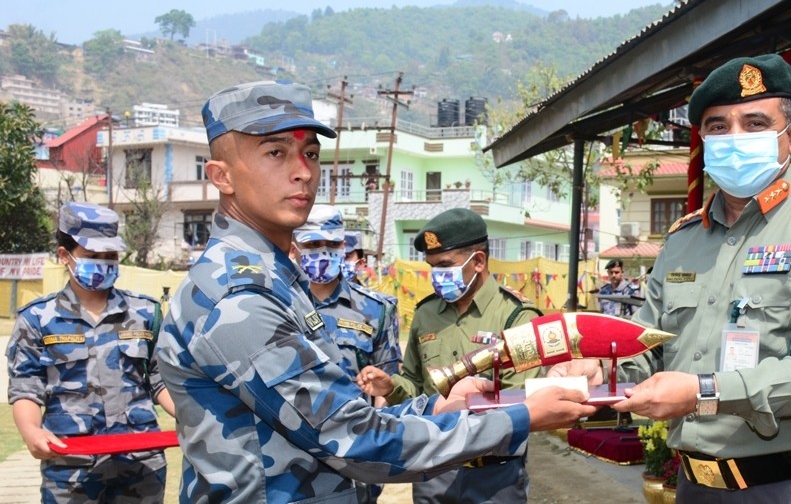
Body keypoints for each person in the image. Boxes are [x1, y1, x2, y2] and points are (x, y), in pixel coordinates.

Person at [155, 80, 596, 504]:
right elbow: (356, 441)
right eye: (276, 153)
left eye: (311, 152)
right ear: (221, 175)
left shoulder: (277, 280)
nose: (303, 172)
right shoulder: (238, 299)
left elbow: (345, 415)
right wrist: (520, 417)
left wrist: (438, 407)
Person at [606, 54, 791, 502]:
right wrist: (596, 370)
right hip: (694, 486)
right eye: (718, 127)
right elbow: (648, 347)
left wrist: (702, 393)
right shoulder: (683, 239)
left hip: (789, 486)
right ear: (702, 139)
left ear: (790, 137)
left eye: (755, 123)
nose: (734, 137)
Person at [357, 207, 544, 504]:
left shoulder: (517, 317)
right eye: (433, 267)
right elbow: (416, 386)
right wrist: (392, 388)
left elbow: (522, 400)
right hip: (433, 471)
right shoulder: (426, 314)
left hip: (495, 476)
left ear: (479, 261)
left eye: (445, 265)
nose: (437, 276)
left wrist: (464, 402)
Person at [6, 201, 175, 503]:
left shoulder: (144, 312)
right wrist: (31, 431)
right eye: (93, 256)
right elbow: (26, 388)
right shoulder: (37, 319)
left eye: (110, 257)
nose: (104, 264)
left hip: (141, 463)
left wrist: (191, 415)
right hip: (71, 466)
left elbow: (160, 378)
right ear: (64, 256)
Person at [292, 205, 401, 504]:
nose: (324, 252)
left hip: (353, 457)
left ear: (344, 246)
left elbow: (388, 382)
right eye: (313, 245)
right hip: (290, 459)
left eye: (332, 244)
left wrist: (376, 444)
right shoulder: (278, 303)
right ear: (294, 247)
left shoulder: (377, 309)